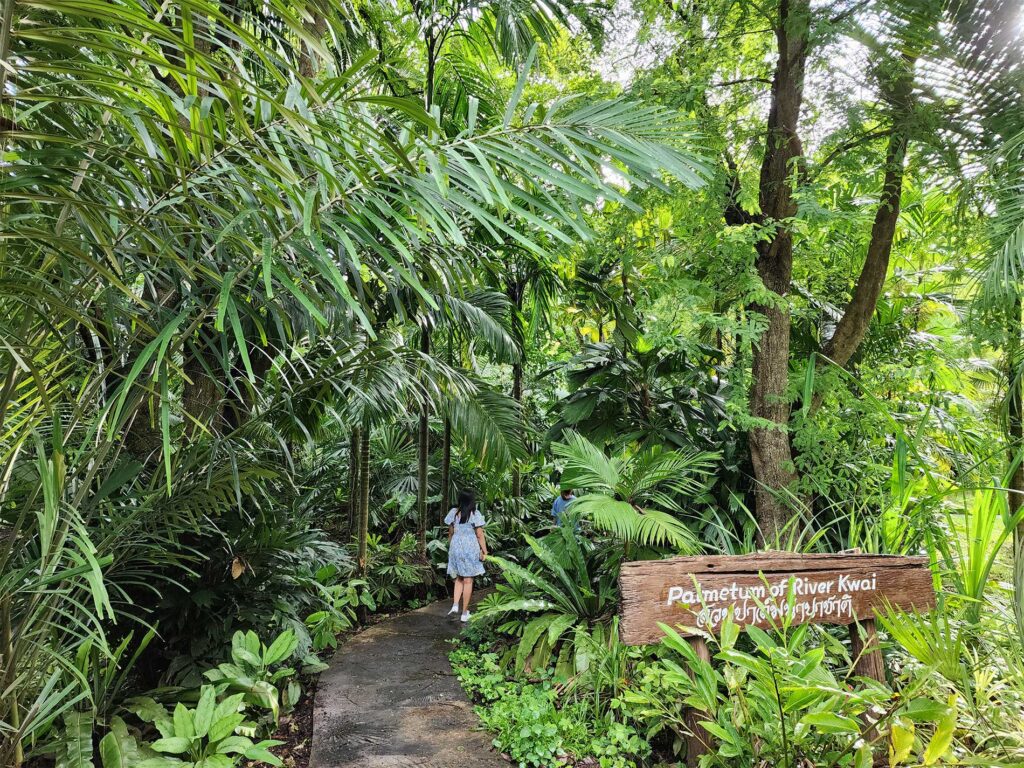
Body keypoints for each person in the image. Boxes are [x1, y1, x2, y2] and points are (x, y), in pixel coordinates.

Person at [445, 489, 488, 622]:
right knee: (468, 580)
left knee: (459, 577)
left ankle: (455, 605)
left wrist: (452, 547)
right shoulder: (474, 514)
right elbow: (480, 534)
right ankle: (464, 614)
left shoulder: (453, 513)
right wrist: (484, 551)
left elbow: (450, 533)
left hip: (456, 546)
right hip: (470, 547)